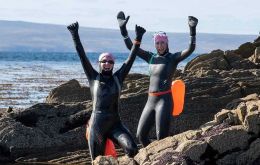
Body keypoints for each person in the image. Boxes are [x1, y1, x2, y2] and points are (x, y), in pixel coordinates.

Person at [117, 11, 198, 147]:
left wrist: (192, 29)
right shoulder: (151, 57)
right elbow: (131, 47)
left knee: (162, 138)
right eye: (157, 43)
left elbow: (190, 49)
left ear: (166, 43)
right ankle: (152, 156)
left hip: (164, 100)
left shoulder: (172, 58)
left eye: (162, 43)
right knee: (141, 136)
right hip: (150, 100)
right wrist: (123, 29)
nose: (160, 45)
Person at [67, 22, 146, 161]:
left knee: (133, 149)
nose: (107, 64)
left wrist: (138, 38)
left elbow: (131, 58)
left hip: (115, 124)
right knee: (97, 160)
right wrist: (75, 35)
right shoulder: (93, 77)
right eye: (104, 61)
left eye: (110, 62)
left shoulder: (118, 78)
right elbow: (81, 54)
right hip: (97, 125)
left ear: (113, 64)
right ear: (99, 63)